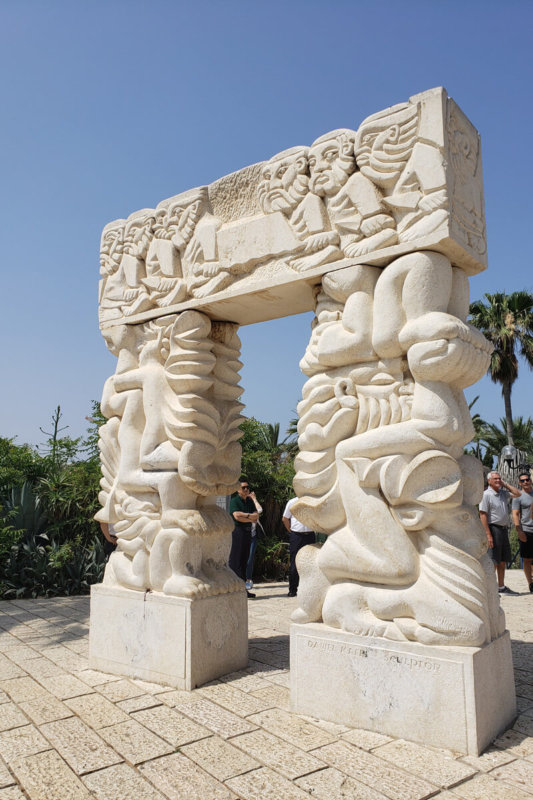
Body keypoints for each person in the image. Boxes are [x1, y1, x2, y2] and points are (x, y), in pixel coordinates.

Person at [479, 471, 521, 595]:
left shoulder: (503, 493)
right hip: (493, 528)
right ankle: (491, 589)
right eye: (495, 479)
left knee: (503, 560)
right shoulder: (486, 495)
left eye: (499, 478)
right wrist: (488, 534)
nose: (498, 481)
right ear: (489, 481)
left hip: (503, 529)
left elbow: (518, 493)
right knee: (493, 560)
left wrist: (505, 484)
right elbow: (483, 515)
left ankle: (501, 587)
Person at [229, 478, 258, 598]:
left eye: (247, 487)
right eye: (243, 488)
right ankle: (234, 589)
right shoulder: (234, 501)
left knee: (245, 560)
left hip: (247, 532)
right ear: (238, 489)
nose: (246, 490)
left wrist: (245, 516)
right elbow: (236, 516)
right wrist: (249, 517)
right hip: (237, 532)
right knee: (235, 561)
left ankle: (243, 590)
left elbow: (256, 516)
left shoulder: (250, 501)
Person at [283, 497, 315, 597]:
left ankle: (309, 589)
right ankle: (293, 589)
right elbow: (285, 518)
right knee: (294, 562)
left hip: (310, 534)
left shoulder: (312, 501)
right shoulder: (292, 502)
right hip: (297, 535)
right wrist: (291, 531)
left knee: (310, 562)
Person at [512, 470, 533, 593]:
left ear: (530, 481)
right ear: (520, 483)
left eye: (527, 479)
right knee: (527, 559)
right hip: (526, 530)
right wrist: (519, 530)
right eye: (523, 480)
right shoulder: (518, 496)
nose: (525, 482)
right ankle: (531, 583)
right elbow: (515, 514)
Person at [245, 491, 263, 591]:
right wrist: (251, 516)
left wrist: (254, 499)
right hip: (243, 535)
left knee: (250, 558)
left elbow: (260, 510)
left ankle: (248, 580)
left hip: (253, 535)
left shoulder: (253, 505)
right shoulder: (241, 504)